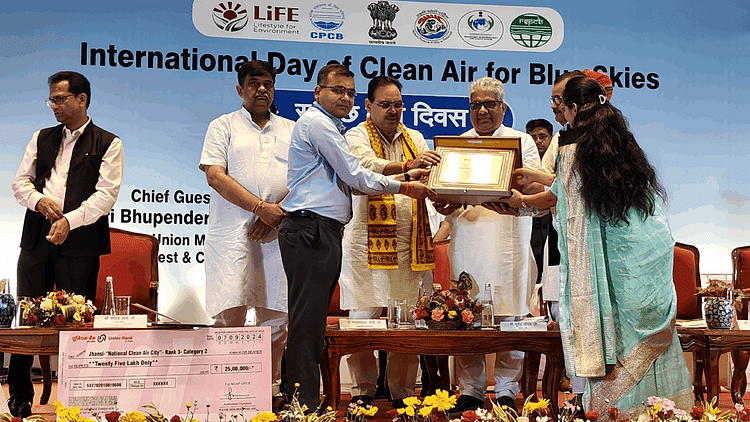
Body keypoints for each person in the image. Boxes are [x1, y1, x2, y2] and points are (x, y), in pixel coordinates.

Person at [501, 76, 693, 418]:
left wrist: (521, 203)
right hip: (647, 254)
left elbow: (566, 200)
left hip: (615, 264)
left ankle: (613, 412)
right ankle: (661, 412)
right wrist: (536, 183)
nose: (558, 110)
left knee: (618, 337)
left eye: (561, 104)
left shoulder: (571, 148)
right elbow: (571, 188)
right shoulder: (617, 138)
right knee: (643, 340)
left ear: (574, 108)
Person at [277, 63, 436, 410]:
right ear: (318, 92)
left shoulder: (410, 137)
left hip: (354, 234)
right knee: (317, 323)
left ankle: (310, 400)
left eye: (349, 92)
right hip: (325, 232)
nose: (344, 97)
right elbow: (358, 172)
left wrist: (410, 181)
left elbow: (358, 179)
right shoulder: (327, 127)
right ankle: (310, 402)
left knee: (315, 323)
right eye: (338, 90)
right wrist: (406, 181)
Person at [11, 71, 124, 417]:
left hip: (80, 243)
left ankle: (80, 398)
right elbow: (20, 182)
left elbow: (105, 197)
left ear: (82, 99)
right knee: (26, 319)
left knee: (77, 322)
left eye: (60, 99)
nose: (54, 106)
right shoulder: (41, 137)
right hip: (37, 237)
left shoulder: (109, 143)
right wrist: (39, 201)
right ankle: (19, 395)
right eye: (51, 100)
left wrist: (68, 221)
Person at [433, 77, 541, 414]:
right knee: (466, 317)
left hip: (510, 242)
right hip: (468, 240)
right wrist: (442, 203)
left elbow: (535, 191)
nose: (482, 110)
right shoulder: (455, 146)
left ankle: (507, 391)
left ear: (503, 108)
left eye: (489, 104)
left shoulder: (521, 142)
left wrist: (515, 194)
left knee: (512, 317)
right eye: (476, 104)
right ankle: (471, 391)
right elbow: (443, 196)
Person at [340, 76, 440, 409]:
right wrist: (409, 168)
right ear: (368, 106)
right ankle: (363, 390)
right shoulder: (355, 136)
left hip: (410, 244)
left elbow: (433, 175)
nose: (393, 111)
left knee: (408, 320)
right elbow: (365, 168)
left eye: (398, 104)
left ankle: (403, 393)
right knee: (363, 319)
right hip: (365, 244)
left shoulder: (416, 138)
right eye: (385, 104)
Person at [198, 60, 293, 408]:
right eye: (254, 83)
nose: (262, 89)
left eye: (268, 83)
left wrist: (274, 214)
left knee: (277, 316)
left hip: (278, 233)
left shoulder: (291, 129)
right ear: (240, 90)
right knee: (229, 314)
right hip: (232, 235)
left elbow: (305, 178)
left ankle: (270, 391)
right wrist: (259, 207)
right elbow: (215, 176)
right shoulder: (222, 126)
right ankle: (225, 390)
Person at [525, 119, 558, 285]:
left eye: (542, 136)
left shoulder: (559, 159)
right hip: (529, 218)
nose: (538, 141)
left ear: (551, 138)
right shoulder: (523, 162)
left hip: (553, 218)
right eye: (533, 137)